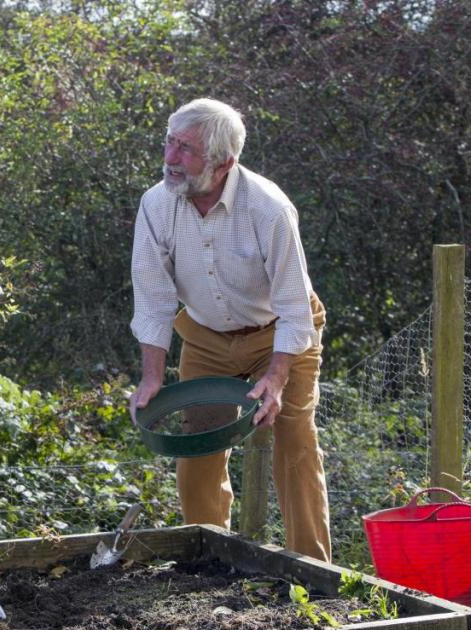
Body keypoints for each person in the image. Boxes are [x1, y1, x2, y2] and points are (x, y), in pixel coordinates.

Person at [128, 98, 332, 562]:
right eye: (169, 142)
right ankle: (209, 563)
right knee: (197, 447)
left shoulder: (268, 208)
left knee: (294, 441)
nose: (170, 158)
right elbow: (154, 298)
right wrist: (152, 376)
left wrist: (276, 379)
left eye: (186, 150)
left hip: (279, 331)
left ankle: (316, 573)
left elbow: (294, 309)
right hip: (205, 335)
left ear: (224, 163)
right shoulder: (156, 204)